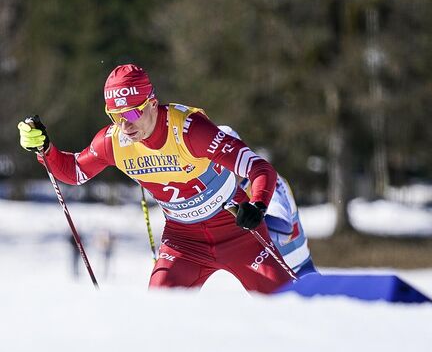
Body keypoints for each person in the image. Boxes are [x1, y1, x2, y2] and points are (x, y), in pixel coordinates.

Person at [18, 64, 292, 293]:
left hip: (237, 233)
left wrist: (257, 206)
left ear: (151, 103)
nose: (125, 125)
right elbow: (74, 172)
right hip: (183, 242)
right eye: (115, 115)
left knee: (289, 306)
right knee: (157, 316)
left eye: (132, 113)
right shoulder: (113, 141)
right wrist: (45, 149)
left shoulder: (190, 131)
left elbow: (259, 168)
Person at [218, 125, 318, 277]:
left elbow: (283, 229)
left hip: (297, 275)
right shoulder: (226, 188)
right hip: (264, 277)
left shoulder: (263, 181)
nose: (222, 168)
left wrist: (242, 220)